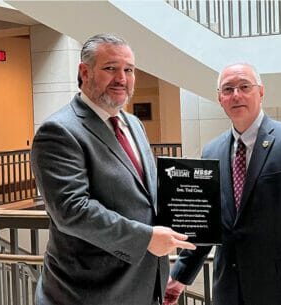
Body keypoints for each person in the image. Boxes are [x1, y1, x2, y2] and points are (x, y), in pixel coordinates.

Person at [31, 33, 195, 305]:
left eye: (128, 70)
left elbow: (143, 198)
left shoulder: (133, 124)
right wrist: (146, 240)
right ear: (85, 72)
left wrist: (157, 273)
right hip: (87, 293)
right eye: (110, 68)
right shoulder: (59, 131)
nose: (122, 78)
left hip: (139, 285)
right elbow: (72, 210)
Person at [164, 63, 281, 305]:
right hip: (228, 292)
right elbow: (207, 224)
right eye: (228, 89)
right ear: (219, 98)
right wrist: (180, 276)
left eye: (244, 86)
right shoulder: (211, 151)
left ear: (261, 92)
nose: (236, 95)